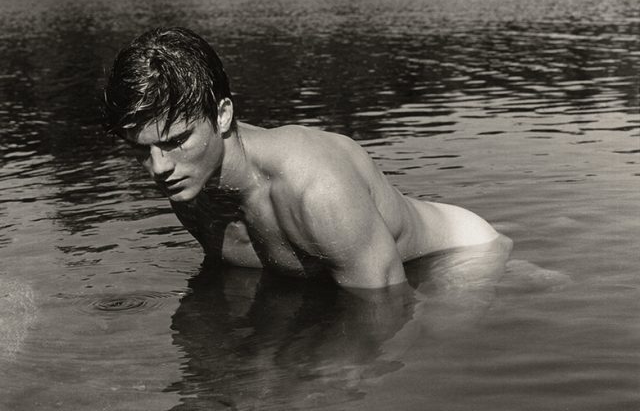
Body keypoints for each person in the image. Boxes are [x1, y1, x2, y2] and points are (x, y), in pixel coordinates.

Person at [103, 27, 507, 289]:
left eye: (176, 142)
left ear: (222, 115)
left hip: (462, 257)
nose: (158, 167)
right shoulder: (188, 182)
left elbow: (386, 315)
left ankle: (527, 273)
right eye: (141, 150)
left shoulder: (315, 187)